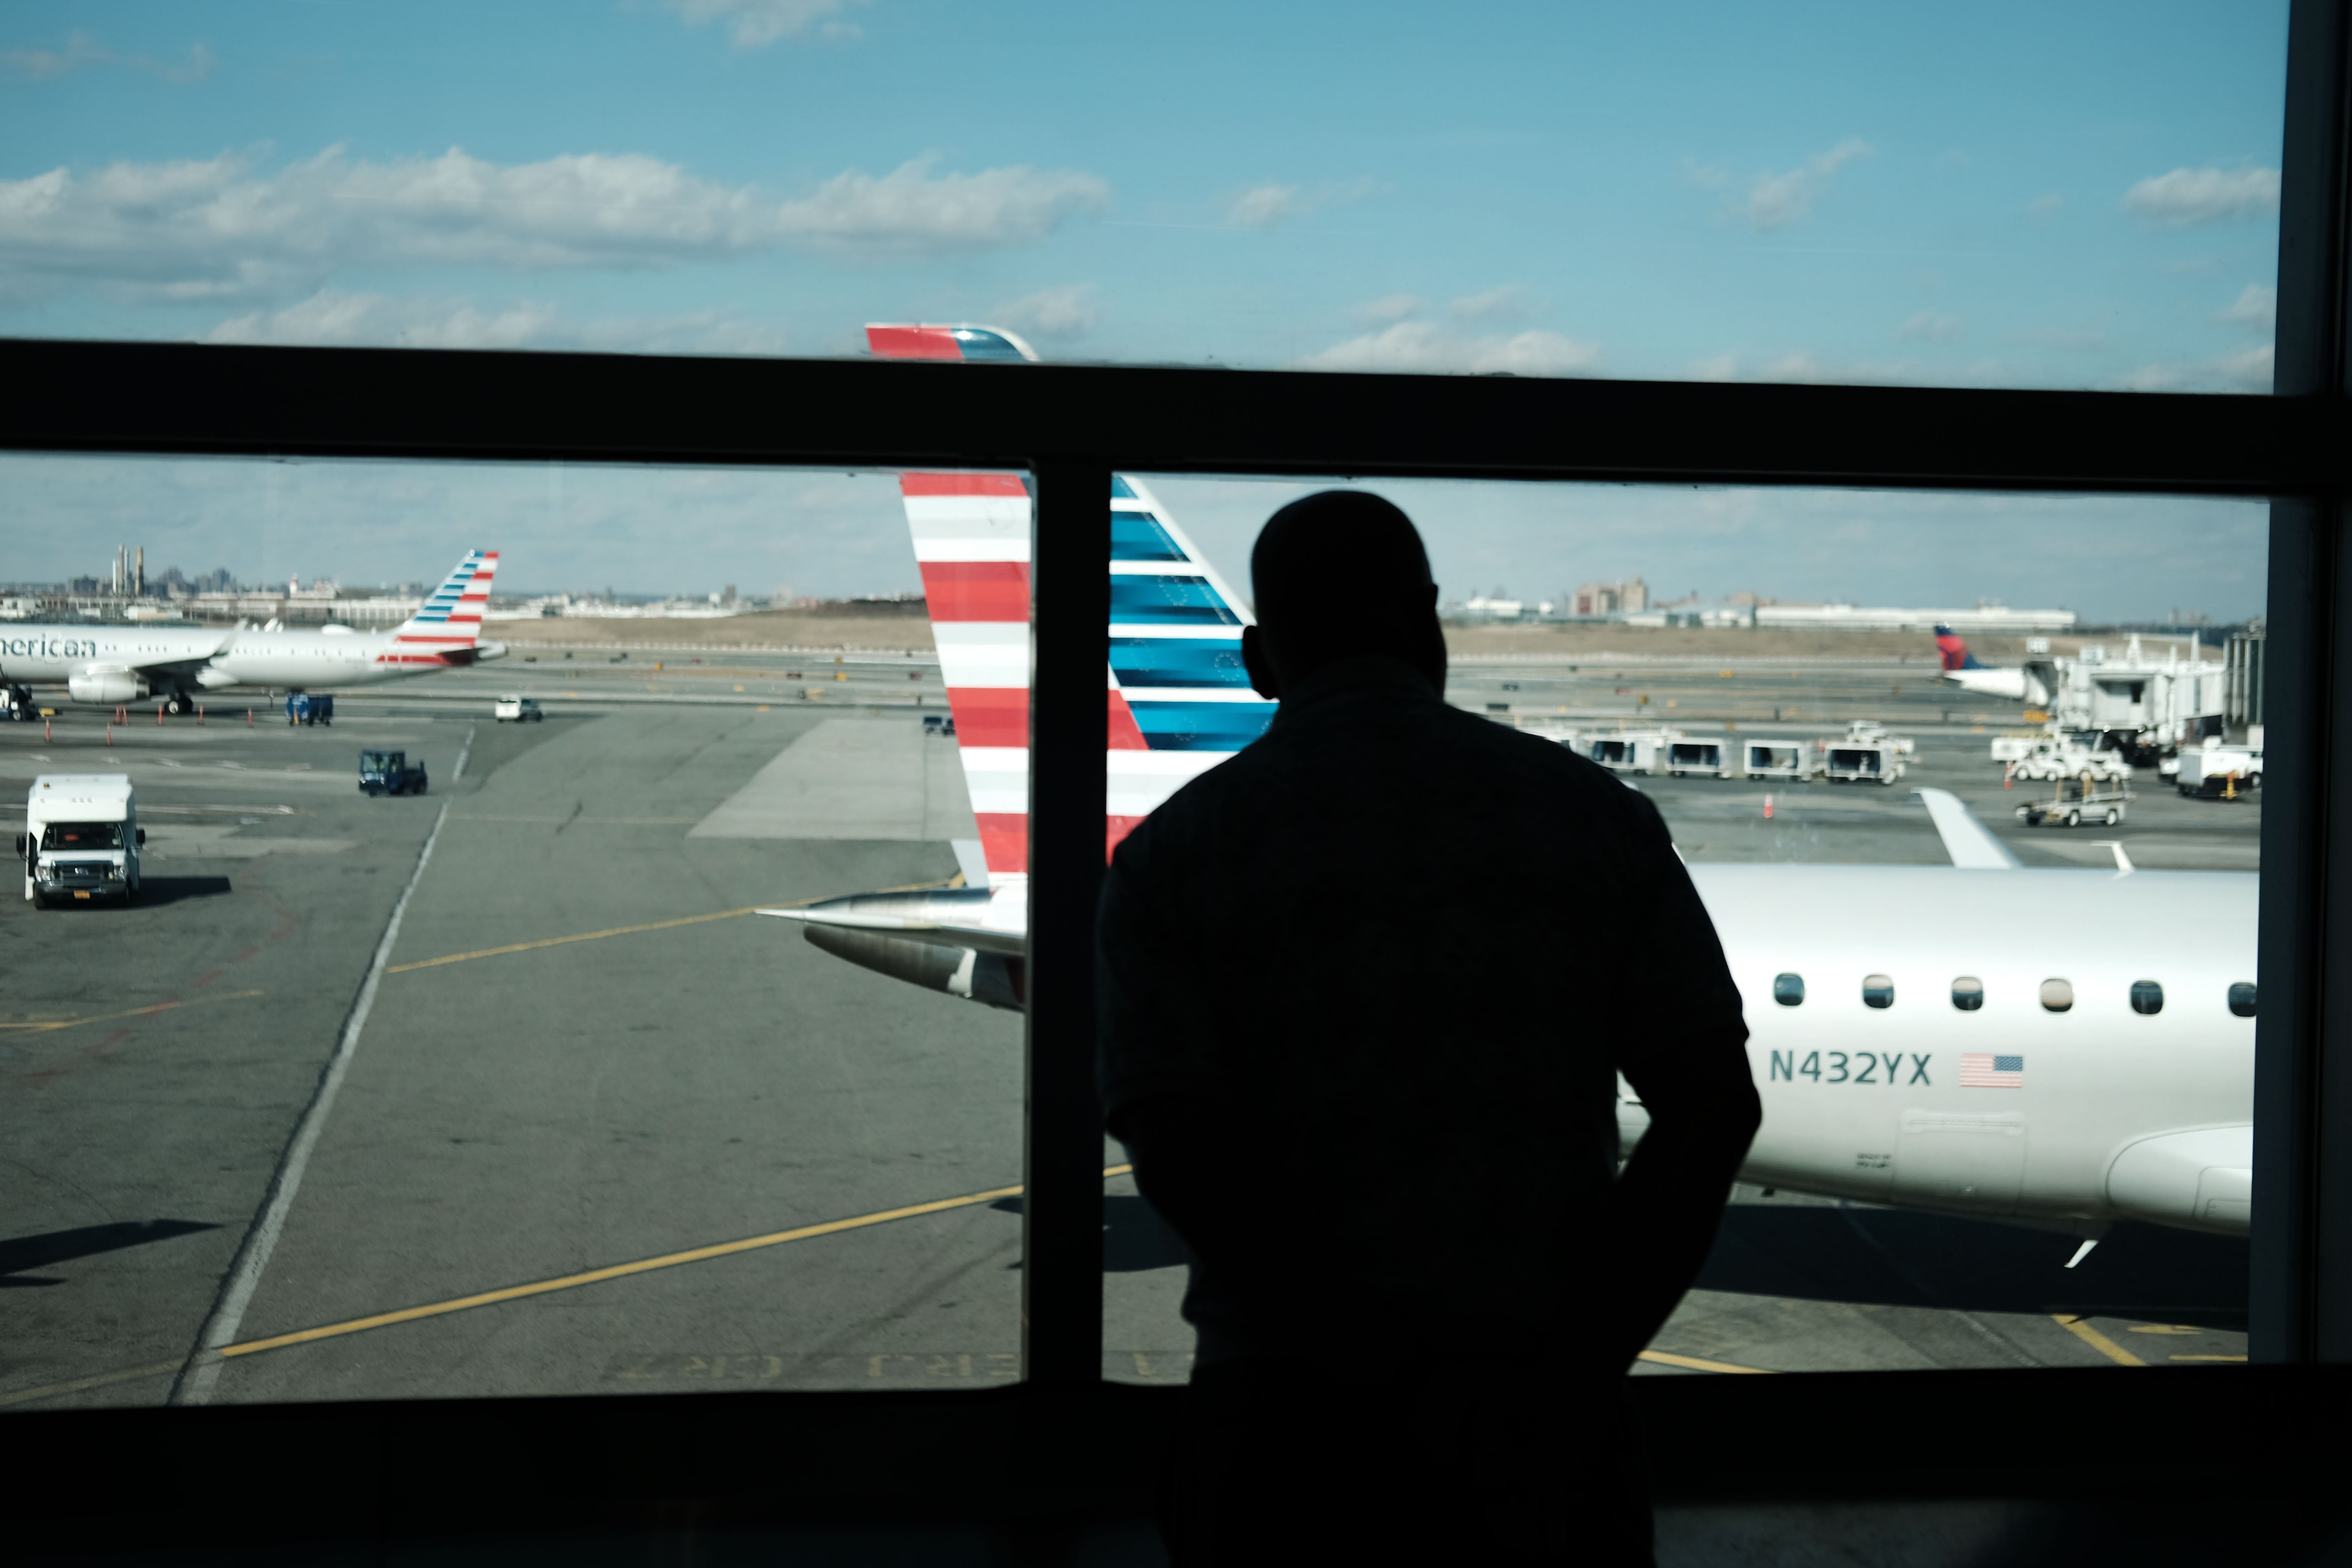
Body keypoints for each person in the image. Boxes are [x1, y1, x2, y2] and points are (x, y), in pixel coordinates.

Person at [1096, 491, 1760, 1564]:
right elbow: (1713, 1108)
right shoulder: (1595, 820)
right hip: (1547, 1430)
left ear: (1261, 661)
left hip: (1285, 1437)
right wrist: (1575, 1372)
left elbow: (1175, 1146)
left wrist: (1376, 1370)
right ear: (1431, 625)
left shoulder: (1176, 856)